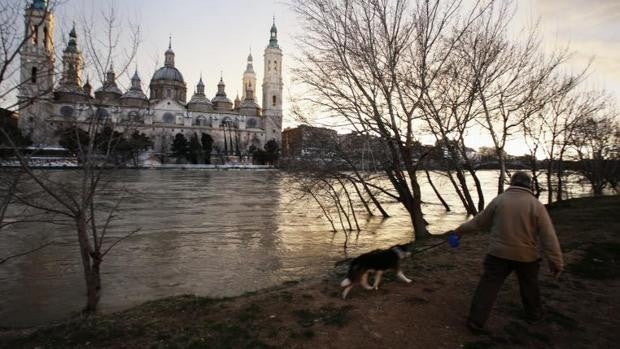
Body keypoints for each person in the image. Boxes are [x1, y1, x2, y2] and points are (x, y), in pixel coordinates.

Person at [450, 171, 563, 334]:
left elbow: (478, 222)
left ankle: (476, 321)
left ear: (512, 183)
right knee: (529, 286)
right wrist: (556, 262)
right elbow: (548, 236)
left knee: (488, 287)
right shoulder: (536, 204)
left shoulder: (499, 200)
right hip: (527, 257)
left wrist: (459, 231)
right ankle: (534, 316)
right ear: (529, 185)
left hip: (497, 255)